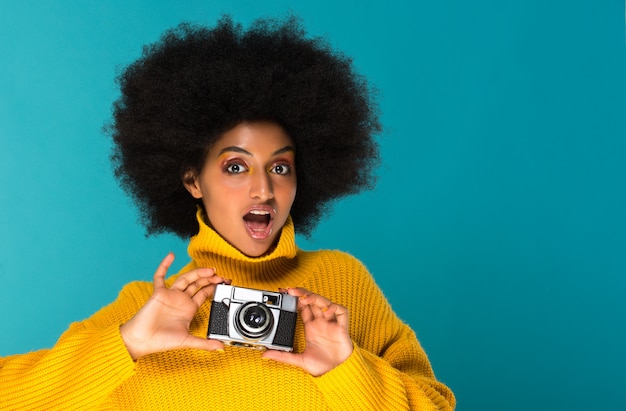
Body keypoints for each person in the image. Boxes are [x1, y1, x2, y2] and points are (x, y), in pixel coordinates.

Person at [0, 16, 455, 410]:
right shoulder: (148, 310)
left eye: (281, 167)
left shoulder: (341, 286)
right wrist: (127, 345)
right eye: (235, 167)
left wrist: (347, 368)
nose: (264, 189)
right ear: (192, 181)